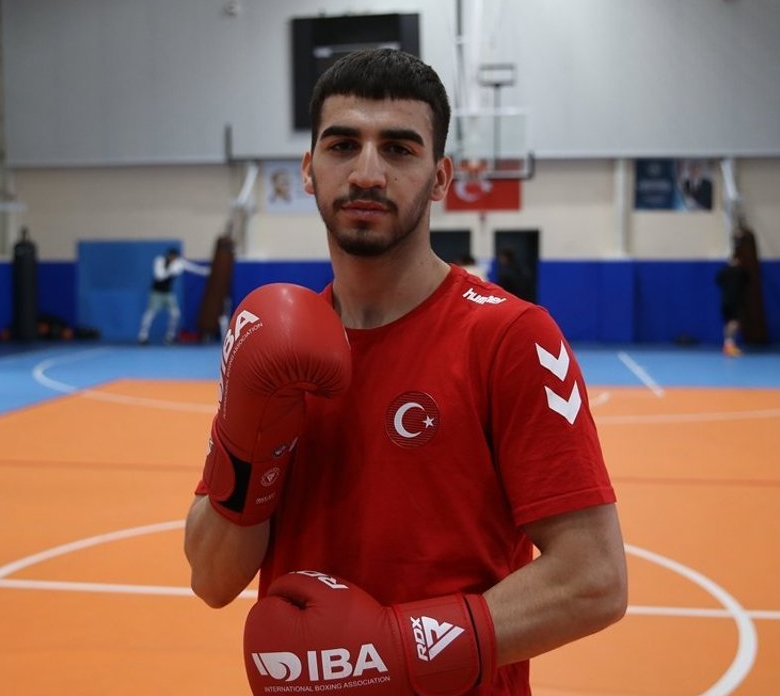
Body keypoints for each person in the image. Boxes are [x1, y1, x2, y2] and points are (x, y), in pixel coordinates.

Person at [185, 49, 627, 695]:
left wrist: (396, 650)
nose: (367, 172)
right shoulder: (278, 345)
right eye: (343, 146)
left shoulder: (510, 338)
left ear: (440, 177)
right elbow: (211, 578)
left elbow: (594, 579)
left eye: (398, 149)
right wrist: (246, 441)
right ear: (308, 169)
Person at [137, 247, 211, 345]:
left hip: (168, 293)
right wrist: (172, 270)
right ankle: (143, 336)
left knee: (175, 314)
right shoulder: (159, 261)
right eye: (173, 257)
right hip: (157, 293)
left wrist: (206, 271)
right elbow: (159, 276)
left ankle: (170, 336)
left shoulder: (178, 263)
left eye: (175, 258)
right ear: (169, 256)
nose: (174, 259)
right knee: (150, 314)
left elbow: (192, 268)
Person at [715, 254, 749, 357]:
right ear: (737, 260)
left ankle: (729, 346)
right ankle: (729, 346)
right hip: (735, 301)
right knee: (734, 322)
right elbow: (748, 281)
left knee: (728, 323)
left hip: (725, 301)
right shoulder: (740, 271)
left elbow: (718, 281)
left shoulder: (723, 271)